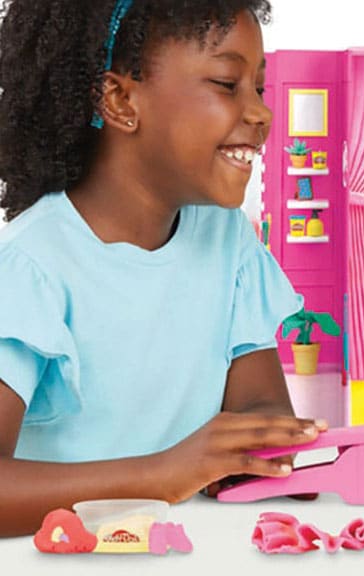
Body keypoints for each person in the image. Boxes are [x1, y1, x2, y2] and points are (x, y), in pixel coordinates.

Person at [0, 0, 324, 537]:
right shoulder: (31, 267)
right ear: (121, 100)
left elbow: (257, 408)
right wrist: (162, 475)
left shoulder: (227, 239)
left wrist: (266, 449)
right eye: (227, 84)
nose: (261, 114)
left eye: (259, 88)